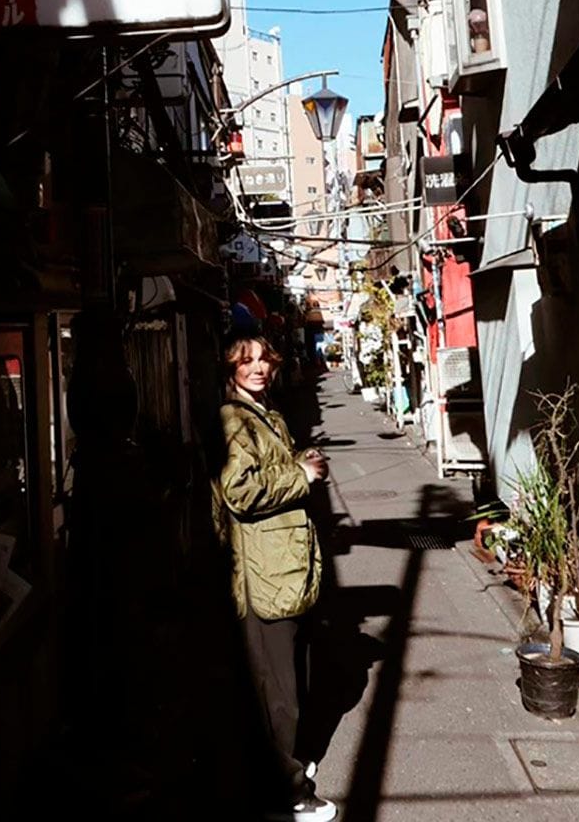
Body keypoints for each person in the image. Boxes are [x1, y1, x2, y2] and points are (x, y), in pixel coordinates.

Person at [212, 333, 337, 822]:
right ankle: (285, 793)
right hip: (262, 573)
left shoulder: (266, 412)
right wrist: (300, 476)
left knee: (286, 685)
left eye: (264, 359)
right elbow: (238, 490)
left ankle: (285, 771)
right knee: (275, 693)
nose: (259, 368)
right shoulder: (232, 419)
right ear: (230, 369)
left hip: (283, 568)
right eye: (247, 361)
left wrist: (299, 462)